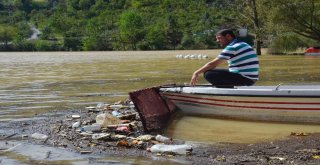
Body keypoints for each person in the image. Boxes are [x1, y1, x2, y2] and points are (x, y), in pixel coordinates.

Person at [190, 29, 259, 88]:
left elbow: (213, 64)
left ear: (228, 36)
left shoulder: (233, 47)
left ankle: (226, 88)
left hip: (245, 79)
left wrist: (196, 73)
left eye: (219, 38)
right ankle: (224, 85)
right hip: (251, 79)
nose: (217, 40)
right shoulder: (243, 44)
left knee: (208, 73)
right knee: (214, 72)